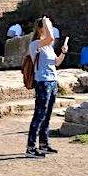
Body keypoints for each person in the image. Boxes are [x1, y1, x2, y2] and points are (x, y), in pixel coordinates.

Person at [26, 17, 67, 158]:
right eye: (48, 26)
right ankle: (31, 148)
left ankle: (43, 144)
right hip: (42, 82)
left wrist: (63, 52)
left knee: (47, 115)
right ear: (40, 28)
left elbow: (56, 62)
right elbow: (50, 37)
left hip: (52, 81)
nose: (51, 28)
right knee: (39, 114)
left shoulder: (48, 47)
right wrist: (45, 21)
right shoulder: (35, 44)